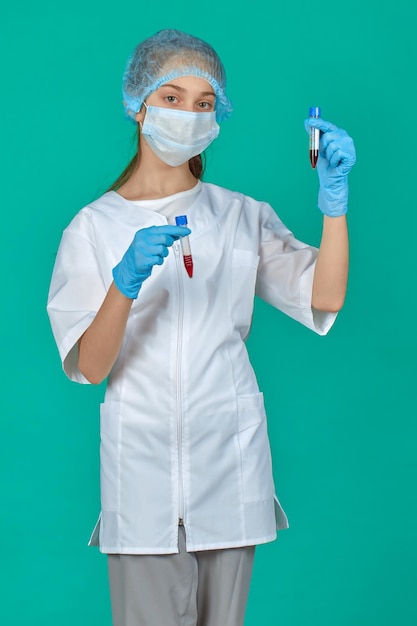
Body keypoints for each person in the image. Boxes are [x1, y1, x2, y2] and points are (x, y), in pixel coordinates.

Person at [47, 28, 355, 626]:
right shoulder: (91, 228)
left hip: (229, 462)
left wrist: (334, 208)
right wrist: (124, 284)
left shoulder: (241, 215)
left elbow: (324, 294)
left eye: (203, 102)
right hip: (141, 473)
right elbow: (90, 365)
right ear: (138, 105)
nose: (188, 114)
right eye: (170, 97)